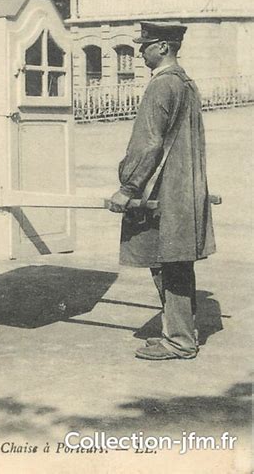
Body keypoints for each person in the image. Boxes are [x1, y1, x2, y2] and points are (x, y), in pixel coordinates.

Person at [109, 22, 216, 360]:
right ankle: (178, 332)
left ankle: (181, 341)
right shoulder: (186, 83)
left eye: (146, 45)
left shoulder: (162, 85)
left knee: (171, 262)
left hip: (167, 190)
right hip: (183, 186)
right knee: (171, 261)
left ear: (164, 48)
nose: (140, 51)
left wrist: (128, 187)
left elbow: (149, 143)